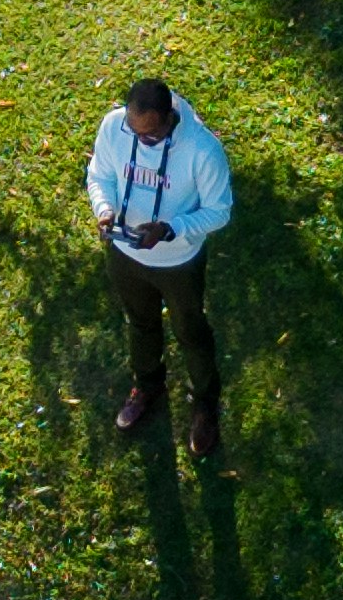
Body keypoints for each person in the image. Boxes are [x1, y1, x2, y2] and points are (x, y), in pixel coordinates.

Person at [82, 71, 233, 436]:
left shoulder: (202, 150)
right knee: (140, 324)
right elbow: (99, 175)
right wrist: (104, 209)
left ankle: (205, 404)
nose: (143, 141)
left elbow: (220, 211)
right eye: (136, 133)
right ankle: (148, 387)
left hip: (178, 262)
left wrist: (170, 229)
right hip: (125, 255)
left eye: (151, 134)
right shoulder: (114, 127)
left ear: (169, 118)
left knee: (191, 333)